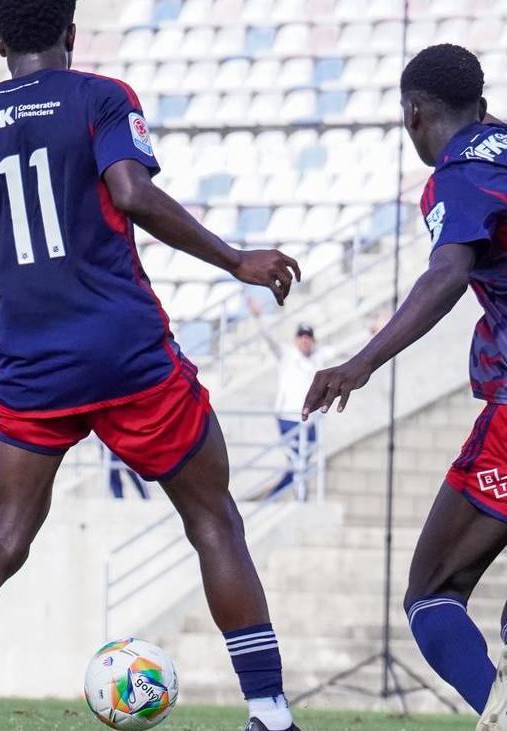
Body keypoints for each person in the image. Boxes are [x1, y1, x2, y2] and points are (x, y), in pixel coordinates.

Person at [0, 3, 304, 730]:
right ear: (69, 36)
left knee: (4, 537)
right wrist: (235, 259)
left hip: (31, 366)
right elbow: (131, 194)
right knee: (211, 519)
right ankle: (266, 709)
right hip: (125, 352)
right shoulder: (101, 97)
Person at [300, 44, 507, 730]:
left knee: (432, 593)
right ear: (480, 108)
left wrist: (359, 361)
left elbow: (447, 272)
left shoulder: (458, 174)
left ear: (413, 114)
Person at [248, 298, 329, 498]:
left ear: (313, 340)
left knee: (301, 462)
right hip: (287, 416)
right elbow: (270, 339)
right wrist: (259, 318)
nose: (305, 340)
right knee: (297, 461)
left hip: (309, 420)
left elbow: (346, 349)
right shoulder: (287, 354)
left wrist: (372, 334)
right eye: (301, 336)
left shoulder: (318, 357)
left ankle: (279, 495)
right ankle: (298, 496)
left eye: (308, 336)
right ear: (296, 339)